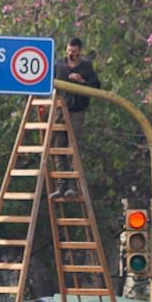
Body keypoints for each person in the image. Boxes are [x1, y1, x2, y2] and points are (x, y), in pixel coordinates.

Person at [51, 37, 101, 200]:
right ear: (66, 50)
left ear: (80, 51)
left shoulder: (86, 66)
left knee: (74, 147)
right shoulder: (59, 64)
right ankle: (61, 184)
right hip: (60, 109)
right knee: (59, 147)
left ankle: (73, 185)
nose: (72, 54)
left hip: (77, 110)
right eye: (69, 51)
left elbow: (96, 87)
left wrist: (82, 81)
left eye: (75, 51)